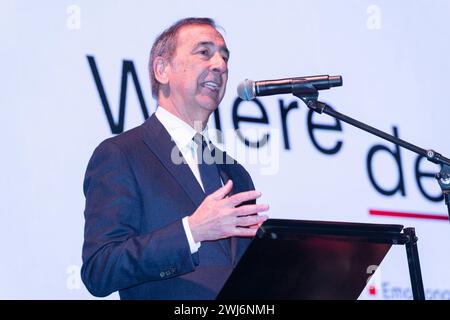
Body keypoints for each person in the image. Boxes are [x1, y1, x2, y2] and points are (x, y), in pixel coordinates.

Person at [81, 17, 269, 300]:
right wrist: (190, 232)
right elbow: (100, 269)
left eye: (224, 56)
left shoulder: (235, 172)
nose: (220, 65)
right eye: (204, 52)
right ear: (162, 69)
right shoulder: (122, 155)